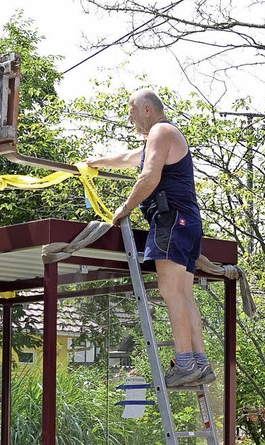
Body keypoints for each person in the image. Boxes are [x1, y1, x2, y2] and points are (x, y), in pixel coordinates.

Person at [86, 88, 215, 388]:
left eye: (131, 110)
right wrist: (95, 162)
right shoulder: (162, 137)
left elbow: (149, 176)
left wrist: (125, 207)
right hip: (187, 223)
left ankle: (184, 363)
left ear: (146, 108)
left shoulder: (160, 130)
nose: (129, 117)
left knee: (171, 292)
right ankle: (199, 362)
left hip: (172, 221)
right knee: (183, 294)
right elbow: (130, 159)